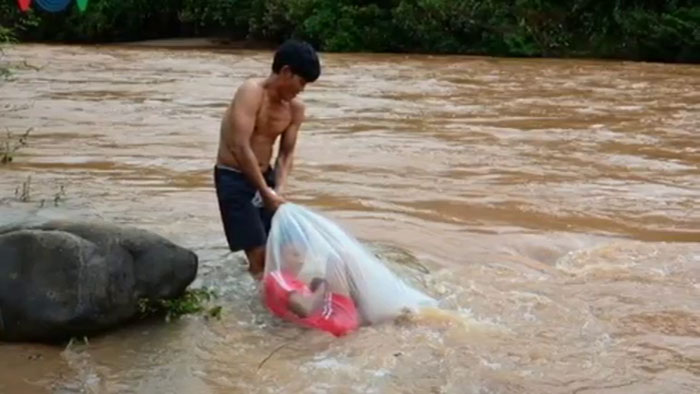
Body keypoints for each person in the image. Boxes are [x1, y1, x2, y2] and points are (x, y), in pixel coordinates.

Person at [214, 39, 321, 277]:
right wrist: (264, 192)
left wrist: (278, 190)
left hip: (266, 177)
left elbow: (285, 153)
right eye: (301, 82)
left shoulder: (295, 109)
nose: (301, 89)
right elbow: (239, 147)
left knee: (289, 252)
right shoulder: (251, 92)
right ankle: (261, 309)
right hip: (233, 178)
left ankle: (277, 296)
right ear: (285, 72)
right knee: (260, 258)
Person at [263, 243, 360, 337]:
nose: (301, 261)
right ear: (280, 255)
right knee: (338, 256)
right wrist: (323, 286)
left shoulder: (295, 281)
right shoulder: (277, 277)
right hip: (330, 322)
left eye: (303, 255)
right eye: (295, 255)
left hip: (337, 322)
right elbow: (304, 307)